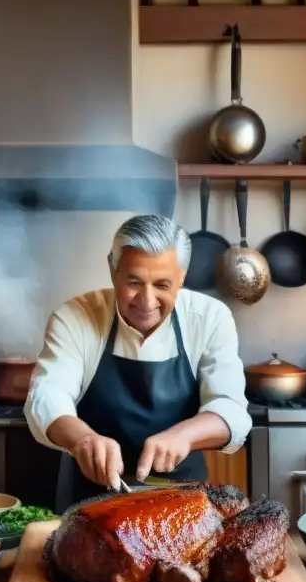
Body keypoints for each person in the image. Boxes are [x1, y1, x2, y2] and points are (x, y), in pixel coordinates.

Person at [25, 215, 251, 512]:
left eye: (162, 285)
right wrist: (84, 440)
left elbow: (231, 409)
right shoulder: (76, 317)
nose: (146, 301)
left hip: (181, 499)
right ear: (112, 270)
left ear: (181, 278)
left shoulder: (209, 318)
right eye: (133, 282)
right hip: (90, 501)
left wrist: (184, 436)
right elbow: (46, 397)